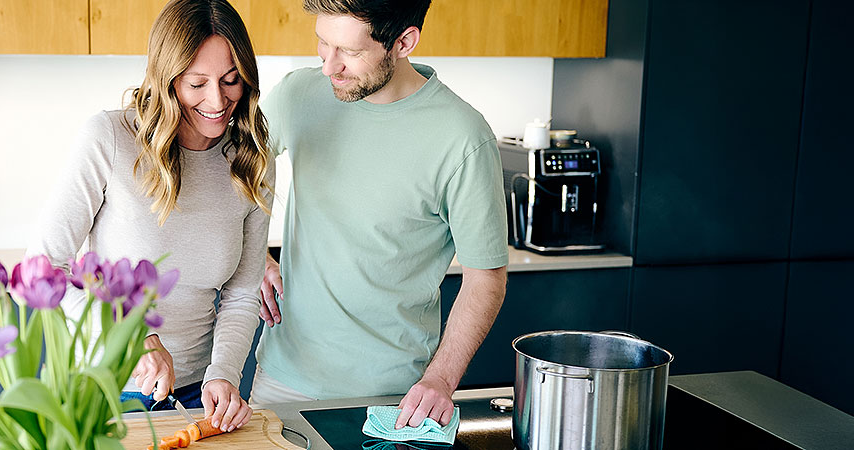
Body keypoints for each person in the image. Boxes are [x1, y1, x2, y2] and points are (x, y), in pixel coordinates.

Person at [252, 0, 508, 430]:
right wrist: (254, 255)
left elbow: (486, 278)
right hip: (281, 380)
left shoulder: (463, 138)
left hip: (392, 399)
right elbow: (237, 171)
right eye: (323, 43)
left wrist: (441, 380)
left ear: (404, 42)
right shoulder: (299, 94)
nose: (329, 67)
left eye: (349, 52)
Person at [28, 0, 273, 433]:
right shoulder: (110, 138)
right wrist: (132, 338)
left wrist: (224, 374)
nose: (217, 100)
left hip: (199, 393)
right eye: (196, 83)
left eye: (230, 81)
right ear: (166, 79)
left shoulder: (250, 158)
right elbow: (40, 269)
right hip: (103, 389)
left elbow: (241, 291)